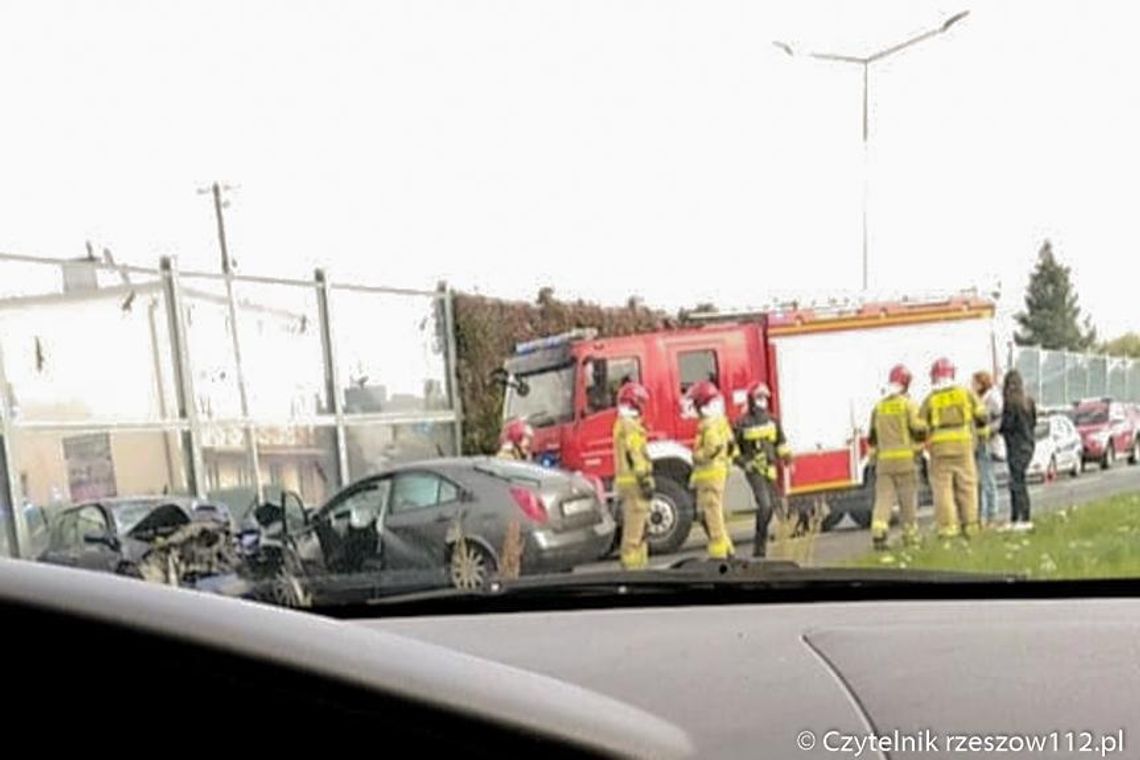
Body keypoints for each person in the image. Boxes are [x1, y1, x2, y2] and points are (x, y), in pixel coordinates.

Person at [920, 357, 989, 540]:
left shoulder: (930, 399)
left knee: (943, 490)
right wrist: (982, 436)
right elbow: (982, 415)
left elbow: (919, 426)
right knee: (967, 486)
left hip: (940, 449)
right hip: (963, 445)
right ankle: (971, 526)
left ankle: (948, 529)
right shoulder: (965, 393)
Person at [868, 364, 927, 550]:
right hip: (905, 461)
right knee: (907, 501)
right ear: (906, 384)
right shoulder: (907, 404)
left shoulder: (879, 406)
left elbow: (872, 436)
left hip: (884, 463)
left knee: (883, 499)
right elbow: (919, 429)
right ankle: (910, 537)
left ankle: (878, 532)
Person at [733, 381, 792, 558]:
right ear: (751, 400)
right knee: (765, 506)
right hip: (754, 470)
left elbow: (780, 442)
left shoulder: (773, 420)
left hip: (770, 469)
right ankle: (759, 548)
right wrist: (744, 463)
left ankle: (780, 546)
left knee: (779, 506)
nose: (762, 401)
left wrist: (787, 457)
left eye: (764, 398)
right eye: (759, 398)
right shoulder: (742, 423)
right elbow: (734, 450)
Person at [686, 380, 738, 559]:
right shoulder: (721, 423)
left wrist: (697, 456)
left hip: (709, 475)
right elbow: (731, 446)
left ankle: (719, 554)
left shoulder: (709, 425)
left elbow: (713, 448)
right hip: (717, 474)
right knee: (711, 514)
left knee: (712, 516)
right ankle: (728, 549)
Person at [613, 381, 654, 569]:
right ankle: (632, 573)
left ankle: (640, 569)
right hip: (635, 485)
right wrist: (645, 479)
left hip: (628, 484)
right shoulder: (630, 427)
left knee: (640, 531)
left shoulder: (622, 424)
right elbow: (635, 453)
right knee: (634, 534)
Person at [1000, 370, 1038, 531]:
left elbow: (1007, 426)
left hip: (1015, 445)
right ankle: (1023, 516)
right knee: (1019, 481)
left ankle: (1019, 517)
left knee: (1016, 483)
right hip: (1028, 444)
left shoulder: (1010, 403)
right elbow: (1034, 423)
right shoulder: (1028, 402)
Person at [972, 370, 1003, 527]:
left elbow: (998, 419)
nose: (973, 386)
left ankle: (990, 514)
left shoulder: (992, 398)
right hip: (980, 443)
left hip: (987, 444)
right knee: (983, 481)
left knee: (987, 481)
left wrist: (988, 431)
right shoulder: (982, 398)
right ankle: (985, 514)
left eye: (975, 383)